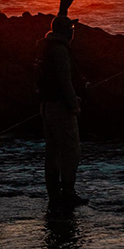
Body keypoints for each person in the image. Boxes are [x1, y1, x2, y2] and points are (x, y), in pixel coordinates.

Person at [36, 14, 87, 211]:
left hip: (46, 106)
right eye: (71, 29)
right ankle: (67, 193)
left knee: (53, 152)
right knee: (70, 151)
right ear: (65, 31)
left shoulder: (47, 47)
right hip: (60, 108)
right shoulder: (60, 50)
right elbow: (65, 81)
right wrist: (74, 105)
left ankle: (54, 195)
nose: (73, 32)